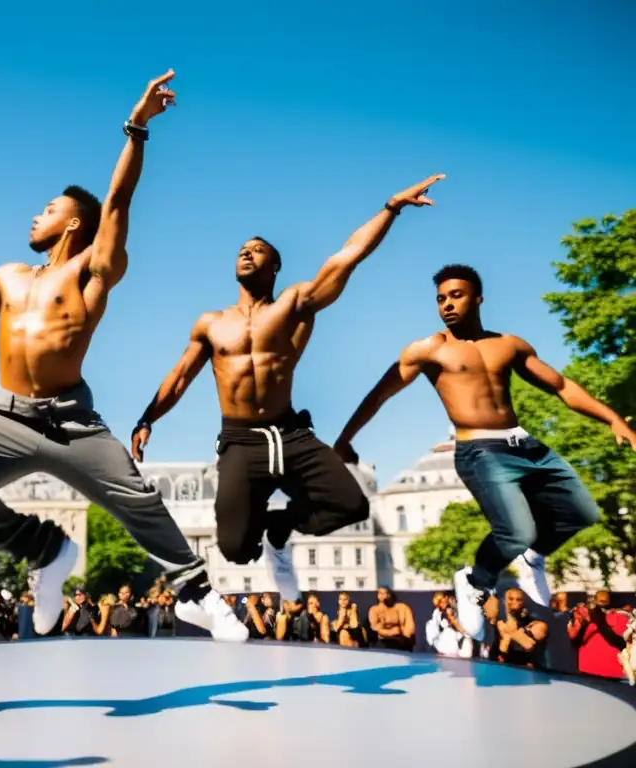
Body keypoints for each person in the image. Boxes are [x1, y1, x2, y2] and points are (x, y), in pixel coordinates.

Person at [0, 71, 246, 642]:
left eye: (46, 208)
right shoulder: (8, 276)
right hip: (5, 417)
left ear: (72, 222)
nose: (34, 215)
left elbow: (118, 200)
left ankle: (199, 595)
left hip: (72, 421)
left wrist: (137, 127)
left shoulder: (93, 271)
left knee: (138, 499)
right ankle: (46, 550)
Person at [130, 174, 444, 599]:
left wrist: (391, 207)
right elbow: (181, 376)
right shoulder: (211, 323)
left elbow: (346, 258)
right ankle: (262, 528)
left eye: (258, 250)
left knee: (351, 506)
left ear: (275, 266)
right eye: (242, 249)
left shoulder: (294, 304)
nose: (247, 253)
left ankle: (281, 525)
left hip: (290, 433)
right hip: (241, 441)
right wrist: (148, 418)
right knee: (236, 549)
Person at [333, 264, 636, 640]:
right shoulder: (428, 349)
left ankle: (532, 556)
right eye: (441, 299)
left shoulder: (508, 345)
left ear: (478, 298)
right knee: (516, 529)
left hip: (523, 443)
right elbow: (380, 394)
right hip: (479, 448)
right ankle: (475, 580)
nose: (447, 305)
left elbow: (561, 386)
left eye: (456, 296)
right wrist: (345, 438)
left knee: (581, 511)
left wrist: (613, 420)